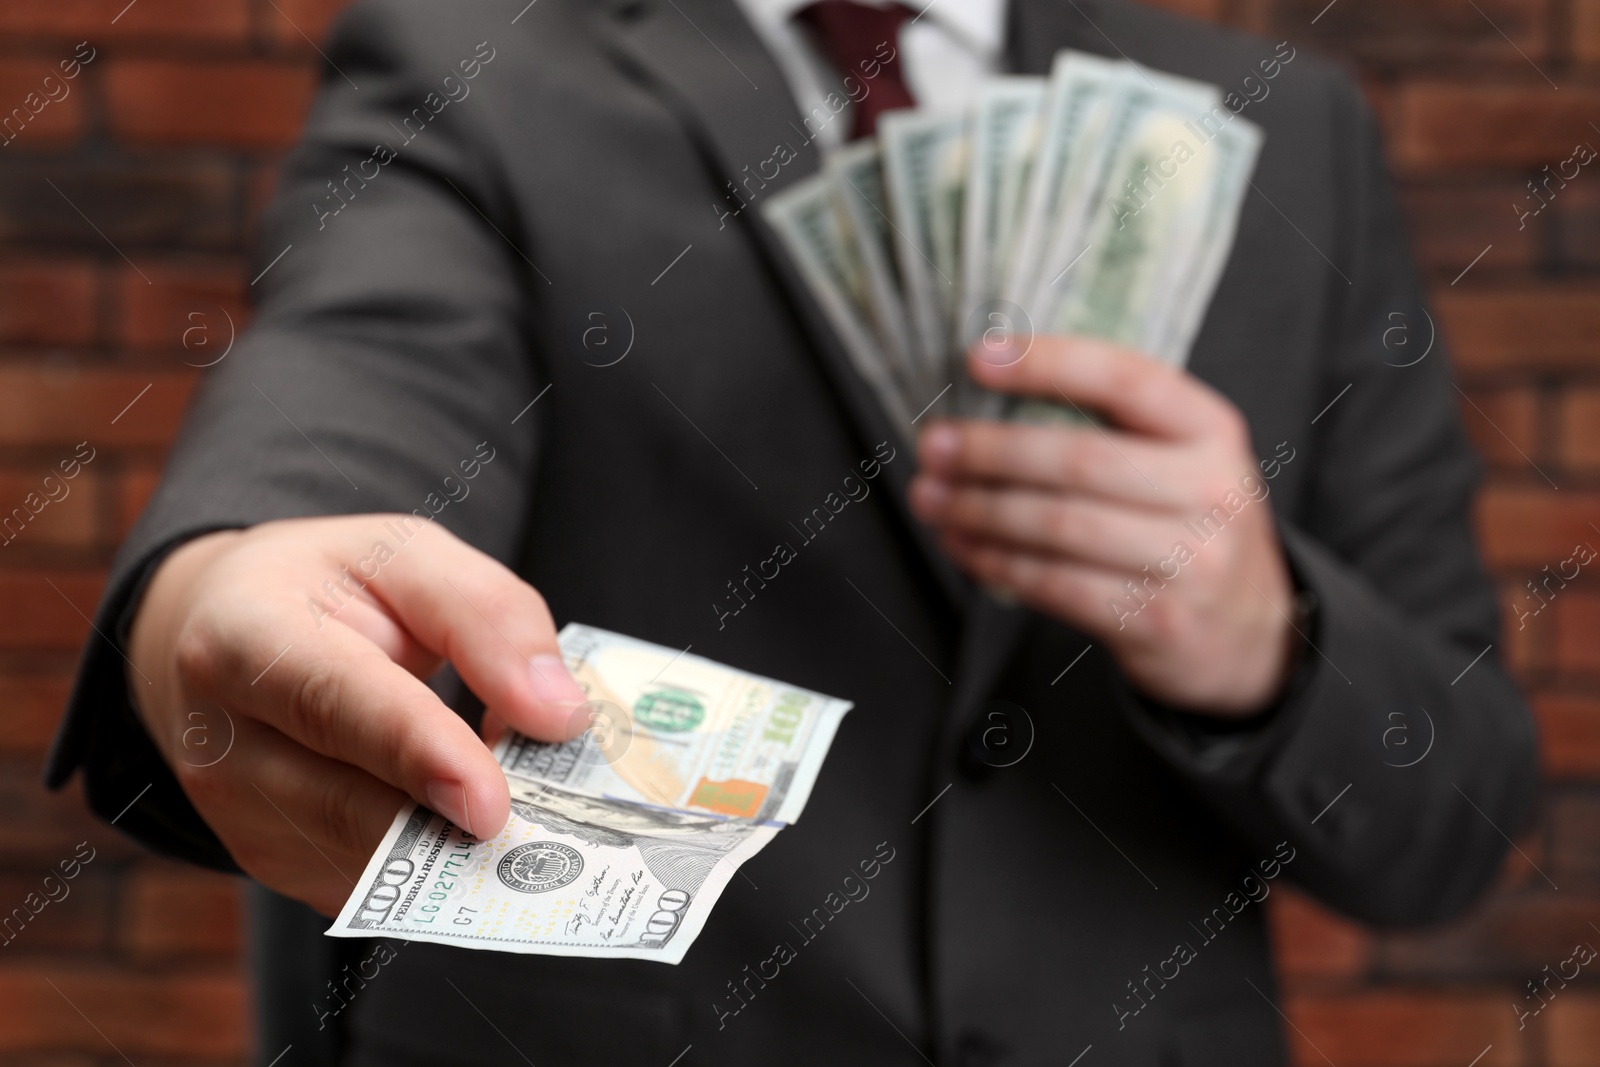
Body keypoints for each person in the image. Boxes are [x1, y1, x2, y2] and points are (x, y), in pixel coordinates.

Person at [47, 0, 1537, 1064]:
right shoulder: (475, 66)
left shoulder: (1287, 129)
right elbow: (358, 362)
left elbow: (1456, 819)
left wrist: (1268, 644)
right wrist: (223, 583)